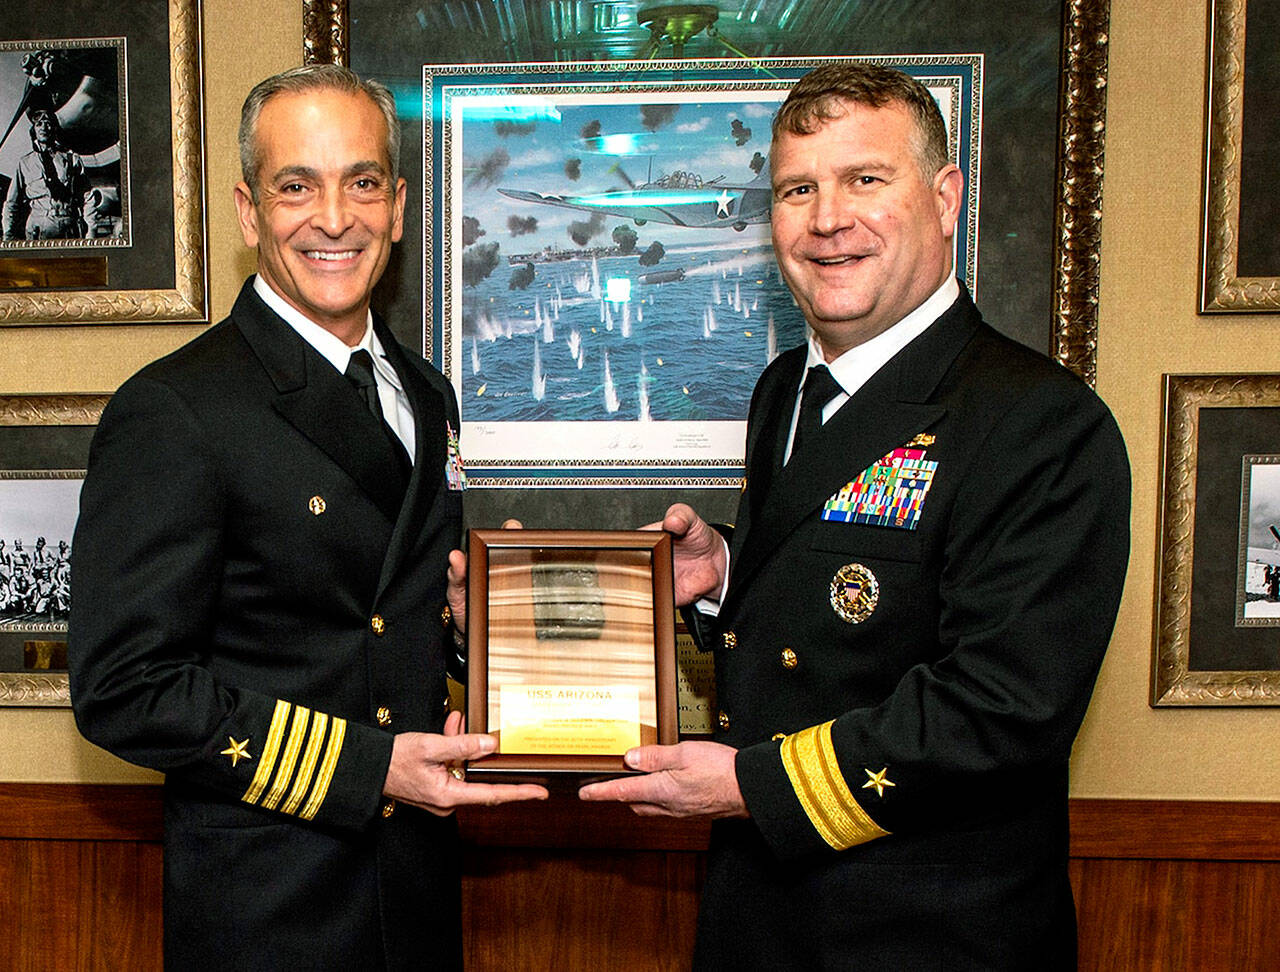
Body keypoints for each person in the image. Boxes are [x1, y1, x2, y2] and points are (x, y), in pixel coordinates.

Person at [580, 63, 1131, 968]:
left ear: (946, 197)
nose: (827, 218)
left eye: (865, 180)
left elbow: (1004, 709)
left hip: (930, 935)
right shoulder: (784, 392)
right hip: (762, 918)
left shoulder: (1039, 423)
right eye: (799, 189)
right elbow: (825, 586)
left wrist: (755, 787)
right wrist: (725, 575)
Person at [68, 64, 545, 971]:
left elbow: (382, 611)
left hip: (413, 896)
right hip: (271, 914)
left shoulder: (427, 393)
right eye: (298, 186)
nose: (335, 218)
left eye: (362, 182)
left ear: (398, 206)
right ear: (250, 213)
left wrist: (469, 629)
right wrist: (368, 772)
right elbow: (123, 688)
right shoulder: (178, 410)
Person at [1, 107, 90, 240]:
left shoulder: (72, 160)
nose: (44, 127)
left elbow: (87, 198)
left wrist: (91, 232)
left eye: (48, 124)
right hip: (38, 228)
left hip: (69, 228)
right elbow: (12, 203)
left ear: (54, 129)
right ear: (34, 130)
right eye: (39, 124)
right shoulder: (25, 163)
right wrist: (8, 233)